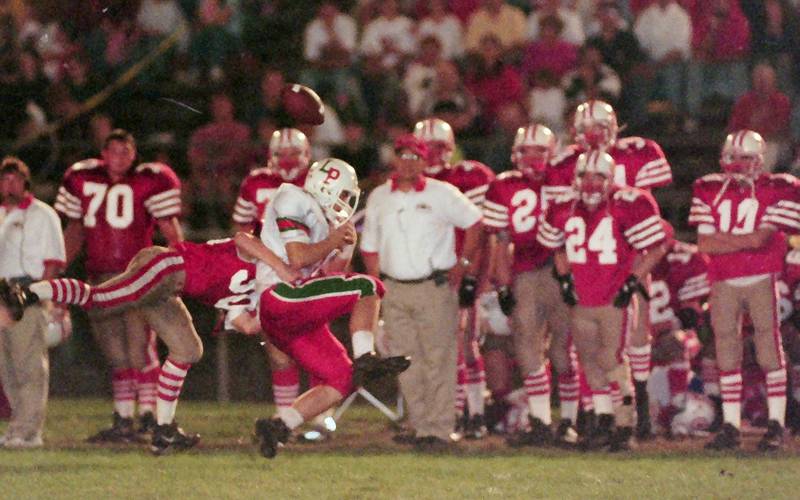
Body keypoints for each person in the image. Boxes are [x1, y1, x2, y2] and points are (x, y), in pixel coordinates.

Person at [4, 233, 297, 454]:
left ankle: (164, 429)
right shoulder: (262, 258)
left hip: (168, 290)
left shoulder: (255, 295)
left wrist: (274, 314)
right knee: (99, 300)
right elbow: (245, 239)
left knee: (188, 349)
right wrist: (281, 268)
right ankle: (25, 292)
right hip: (165, 266)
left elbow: (245, 325)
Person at [235, 158, 410, 458]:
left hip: (294, 313)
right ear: (327, 186)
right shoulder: (294, 197)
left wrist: (345, 245)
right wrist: (331, 240)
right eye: (343, 194)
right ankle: (366, 356)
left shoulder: (321, 218)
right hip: (280, 296)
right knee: (369, 286)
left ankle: (279, 425)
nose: (346, 203)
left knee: (343, 378)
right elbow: (299, 257)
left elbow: (332, 277)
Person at [53, 129, 183, 442]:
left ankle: (149, 414)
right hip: (99, 276)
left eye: (125, 151)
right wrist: (59, 269)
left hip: (137, 273)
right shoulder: (82, 178)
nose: (118, 157)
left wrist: (179, 264)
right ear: (103, 153)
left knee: (139, 345)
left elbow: (170, 229)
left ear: (134, 154)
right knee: (114, 350)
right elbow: (74, 230)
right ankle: (124, 416)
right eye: (113, 151)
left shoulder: (151, 179)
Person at [537, 151, 668, 451]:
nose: (591, 184)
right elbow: (556, 248)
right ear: (575, 179)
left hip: (613, 299)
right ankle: (604, 420)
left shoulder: (629, 204)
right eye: (585, 176)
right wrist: (565, 279)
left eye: (598, 177)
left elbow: (655, 248)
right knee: (590, 363)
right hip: (582, 299)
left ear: (611, 179)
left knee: (611, 359)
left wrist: (632, 282)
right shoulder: (563, 208)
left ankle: (625, 424)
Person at [361, 135, 483, 448]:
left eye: (415, 156)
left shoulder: (441, 193)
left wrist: (464, 262)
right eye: (402, 155)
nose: (408, 162)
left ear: (425, 161)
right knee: (404, 360)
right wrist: (376, 287)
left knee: (438, 358)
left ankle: (439, 429)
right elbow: (370, 247)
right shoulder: (378, 197)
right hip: (395, 288)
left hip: (433, 285)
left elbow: (475, 222)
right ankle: (419, 423)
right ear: (394, 159)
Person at [688, 129, 800, 451]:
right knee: (726, 352)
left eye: (746, 158)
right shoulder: (708, 188)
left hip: (761, 277)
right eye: (733, 158)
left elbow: (761, 239)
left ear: (760, 161)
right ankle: (730, 424)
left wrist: (731, 242)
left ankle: (777, 424)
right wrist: (745, 242)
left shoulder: (777, 187)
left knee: (769, 350)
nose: (738, 165)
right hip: (723, 279)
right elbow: (704, 243)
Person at [483, 124, 580, 446]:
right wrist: (502, 284)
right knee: (527, 350)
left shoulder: (568, 180)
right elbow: (501, 240)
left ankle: (569, 421)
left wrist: (571, 275)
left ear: (554, 153)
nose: (533, 158)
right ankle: (540, 421)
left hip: (562, 268)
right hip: (524, 273)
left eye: (541, 151)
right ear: (515, 154)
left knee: (563, 352)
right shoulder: (503, 186)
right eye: (526, 150)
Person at [413, 119, 495, 437]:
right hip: (423, 276)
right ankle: (456, 412)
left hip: (459, 272)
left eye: (439, 147)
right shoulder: (408, 184)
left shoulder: (468, 177)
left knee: (464, 346)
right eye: (427, 147)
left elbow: (483, 233)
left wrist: (475, 274)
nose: (433, 155)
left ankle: (469, 413)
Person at [0, 157, 64, 448]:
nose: (8, 184)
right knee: (7, 365)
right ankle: (18, 425)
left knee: (29, 363)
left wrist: (46, 296)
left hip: (27, 289)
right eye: (4, 179)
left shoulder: (42, 214)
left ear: (25, 181)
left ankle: (29, 430)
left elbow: (53, 260)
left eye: (14, 178)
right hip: (1, 293)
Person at [233, 128, 312, 233]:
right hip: (267, 247)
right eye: (280, 154)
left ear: (307, 154)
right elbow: (242, 225)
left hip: (311, 245)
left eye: (294, 153)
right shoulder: (256, 181)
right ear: (270, 155)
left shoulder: (317, 179)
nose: (287, 160)